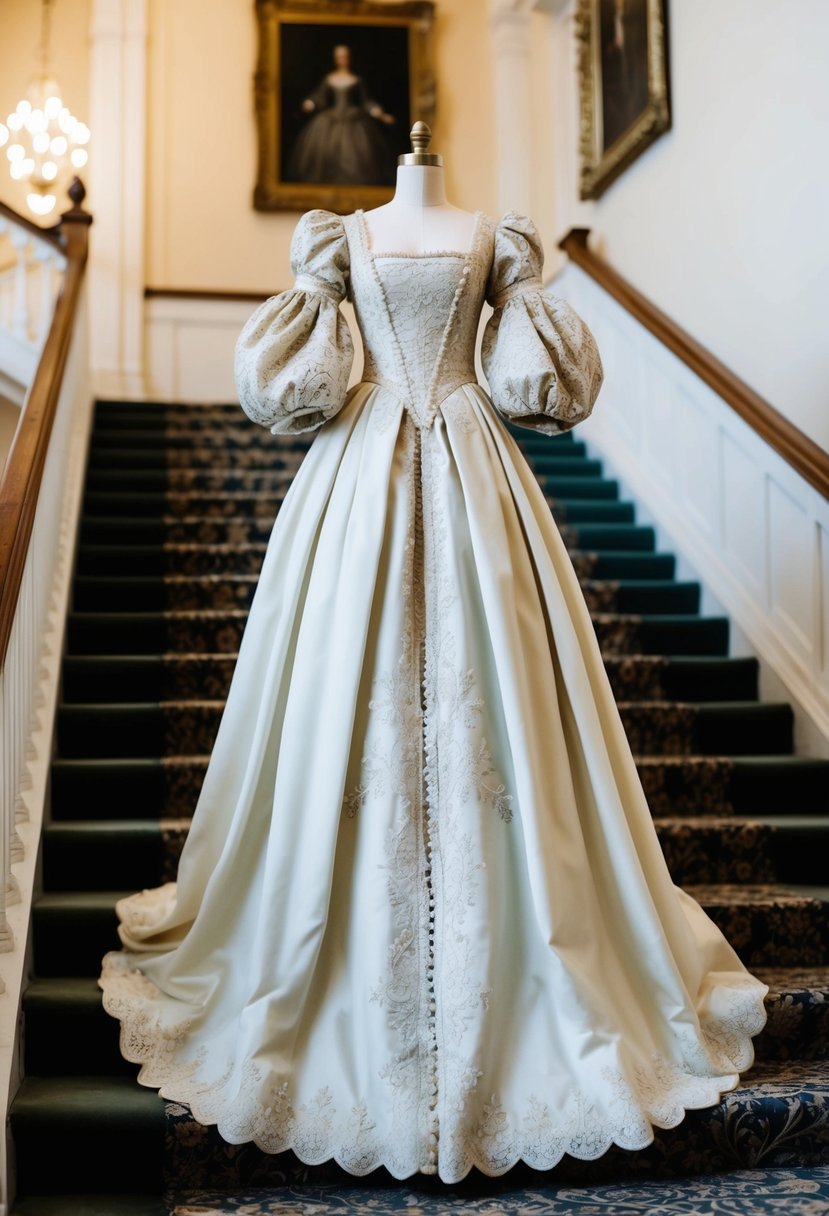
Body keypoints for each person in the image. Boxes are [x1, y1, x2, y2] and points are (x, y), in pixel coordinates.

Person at [100, 126, 767, 1184]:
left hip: (473, 469)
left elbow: (540, 386)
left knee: (497, 692)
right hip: (357, 475)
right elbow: (290, 391)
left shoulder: (491, 239)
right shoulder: (341, 241)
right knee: (336, 695)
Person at [286, 43, 396, 186]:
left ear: (349, 58)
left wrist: (380, 114)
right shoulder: (329, 78)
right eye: (339, 57)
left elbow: (366, 102)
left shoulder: (356, 80)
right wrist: (310, 103)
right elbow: (319, 97)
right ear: (335, 59)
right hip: (330, 122)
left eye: (344, 56)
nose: (342, 60)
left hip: (354, 121)